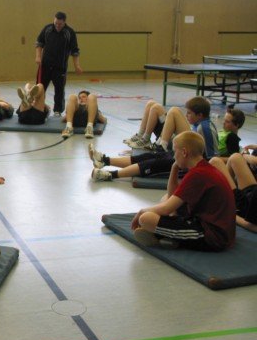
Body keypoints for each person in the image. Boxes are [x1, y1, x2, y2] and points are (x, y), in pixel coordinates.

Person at [130, 131, 235, 251]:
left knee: (145, 218)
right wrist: (174, 167)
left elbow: (167, 209)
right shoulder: (202, 168)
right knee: (165, 198)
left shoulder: (198, 174)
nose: (174, 156)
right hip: (215, 227)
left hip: (213, 236)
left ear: (184, 152)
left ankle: (169, 237)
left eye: (175, 151)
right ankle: (166, 235)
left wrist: (142, 211)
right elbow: (171, 196)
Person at [90, 96, 218, 182]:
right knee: (145, 157)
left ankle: (110, 175)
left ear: (200, 115)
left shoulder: (205, 128)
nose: (187, 115)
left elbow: (211, 158)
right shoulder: (198, 125)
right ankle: (104, 160)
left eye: (189, 113)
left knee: (150, 164)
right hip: (181, 155)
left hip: (185, 164)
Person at [35, 11, 82, 116]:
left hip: (60, 67)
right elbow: (39, 43)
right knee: (39, 88)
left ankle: (57, 110)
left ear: (64, 22)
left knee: (59, 90)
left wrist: (77, 65)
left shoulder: (69, 33)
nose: (57, 25)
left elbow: (75, 51)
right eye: (55, 23)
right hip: (45, 65)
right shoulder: (47, 29)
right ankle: (38, 107)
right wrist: (38, 56)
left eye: (60, 24)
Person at [210, 154, 257, 233]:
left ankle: (224, 198)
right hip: (252, 196)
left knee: (215, 161)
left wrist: (234, 216)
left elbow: (252, 226)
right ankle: (226, 192)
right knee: (235, 157)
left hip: (245, 210)